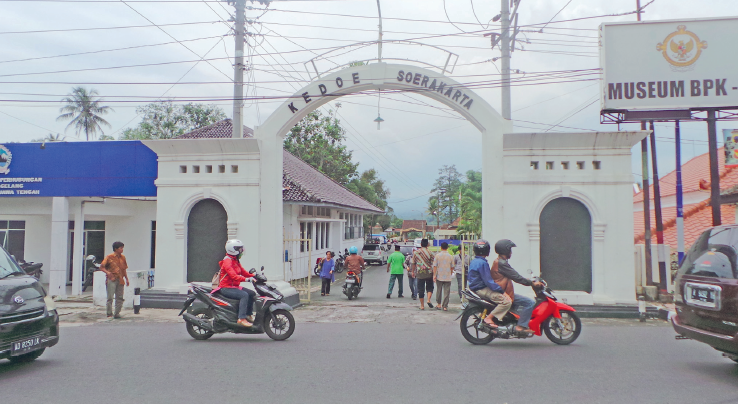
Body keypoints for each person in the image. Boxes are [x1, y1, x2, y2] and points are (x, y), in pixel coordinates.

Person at [490, 239, 542, 336]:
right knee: (529, 302)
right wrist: (531, 283)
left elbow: (514, 275)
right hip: (503, 293)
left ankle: (515, 322)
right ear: (505, 250)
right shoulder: (502, 263)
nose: (511, 252)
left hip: (504, 291)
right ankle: (521, 326)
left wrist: (528, 280)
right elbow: (516, 277)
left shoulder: (500, 262)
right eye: (510, 249)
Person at [466, 239, 509, 330]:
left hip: (475, 288)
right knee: (506, 302)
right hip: (482, 289)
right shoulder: (483, 263)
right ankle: (489, 318)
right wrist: (502, 291)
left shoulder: (475, 261)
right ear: (487, 251)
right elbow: (489, 282)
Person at [215, 239, 256, 327]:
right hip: (226, 288)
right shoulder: (227, 261)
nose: (241, 251)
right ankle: (241, 318)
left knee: (252, 293)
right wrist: (247, 280)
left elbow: (243, 271)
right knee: (244, 295)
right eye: (239, 249)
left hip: (234, 286)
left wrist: (253, 276)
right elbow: (233, 276)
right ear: (233, 250)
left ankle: (248, 314)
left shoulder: (235, 260)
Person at [100, 241, 129, 319]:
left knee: (120, 297)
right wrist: (108, 273)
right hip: (112, 278)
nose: (122, 250)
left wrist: (126, 278)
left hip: (120, 279)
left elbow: (124, 269)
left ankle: (117, 313)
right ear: (116, 249)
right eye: (120, 248)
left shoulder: (123, 257)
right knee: (110, 297)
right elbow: (102, 267)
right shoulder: (109, 257)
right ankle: (109, 313)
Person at [410, 239, 435, 310]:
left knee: (420, 289)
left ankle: (422, 305)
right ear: (428, 244)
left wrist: (413, 271)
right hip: (429, 272)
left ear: (421, 244)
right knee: (430, 287)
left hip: (420, 272)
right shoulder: (431, 252)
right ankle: (428, 300)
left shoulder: (416, 253)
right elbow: (434, 263)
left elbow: (413, 263)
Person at [432, 242, 454, 311]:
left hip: (439, 275)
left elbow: (435, 266)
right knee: (446, 291)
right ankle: (445, 306)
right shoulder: (450, 256)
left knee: (439, 290)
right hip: (447, 276)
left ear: (441, 247)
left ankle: (438, 304)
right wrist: (450, 273)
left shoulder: (437, 256)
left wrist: (434, 275)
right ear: (447, 248)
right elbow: (452, 267)